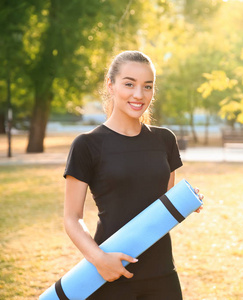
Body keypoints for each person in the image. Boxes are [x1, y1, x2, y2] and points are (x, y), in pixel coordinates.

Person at [63, 50, 203, 300]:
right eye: (129, 84)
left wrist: (184, 203)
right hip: (110, 272)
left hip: (162, 274)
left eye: (147, 86)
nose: (139, 95)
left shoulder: (165, 140)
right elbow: (72, 218)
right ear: (111, 85)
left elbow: (160, 206)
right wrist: (100, 260)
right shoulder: (87, 145)